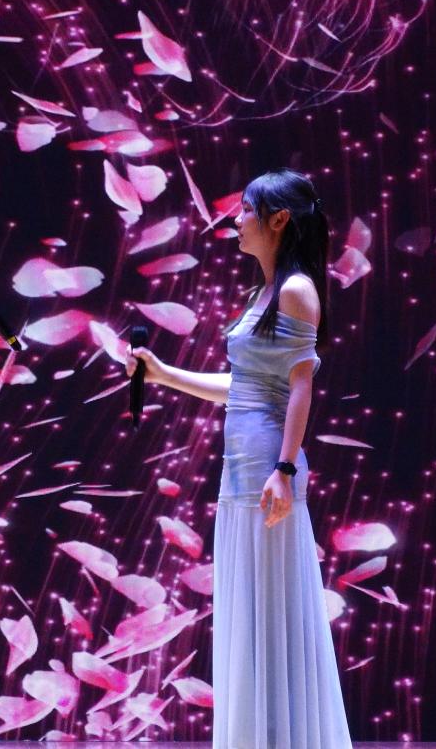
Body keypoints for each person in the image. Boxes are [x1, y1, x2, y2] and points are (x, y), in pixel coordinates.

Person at [128, 169, 352, 749]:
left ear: (279, 220)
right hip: (244, 468)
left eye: (247, 210)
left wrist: (284, 468)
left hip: (267, 468)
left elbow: (300, 386)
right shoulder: (263, 294)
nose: (237, 219)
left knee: (272, 610)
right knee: (251, 610)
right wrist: (164, 373)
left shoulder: (296, 289)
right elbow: (245, 386)